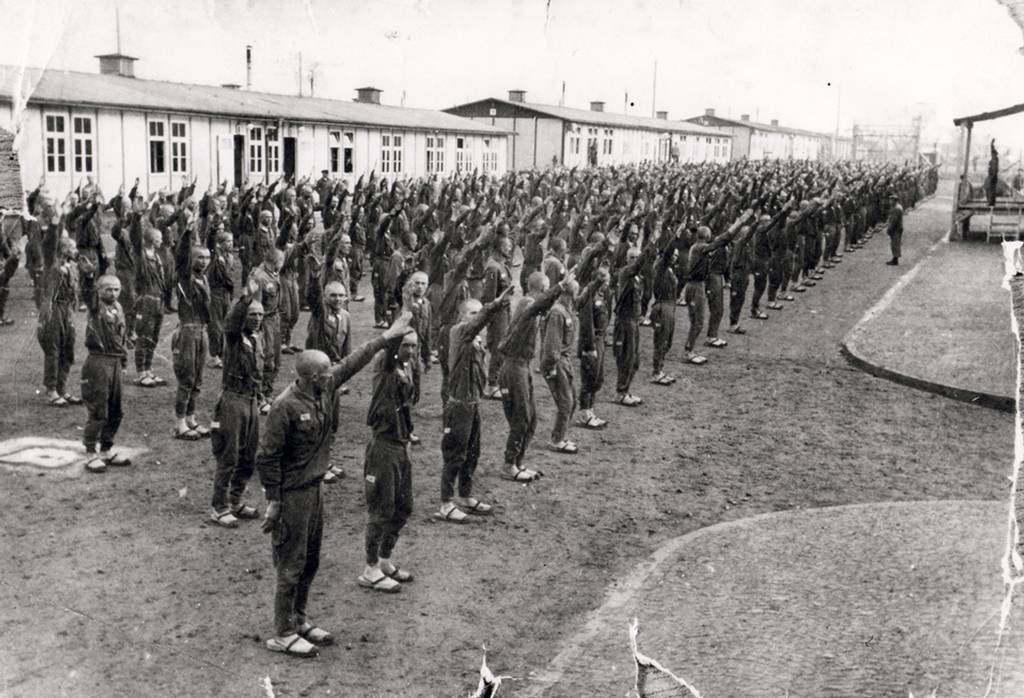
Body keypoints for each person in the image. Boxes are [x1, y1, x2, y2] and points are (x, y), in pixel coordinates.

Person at [256, 313, 414, 657]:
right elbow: (266, 458)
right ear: (312, 377)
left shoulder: (322, 388)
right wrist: (274, 500)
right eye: (326, 373)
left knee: (310, 561)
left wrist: (387, 338)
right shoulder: (284, 407)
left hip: (315, 491)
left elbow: (354, 361)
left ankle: (299, 619)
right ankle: (282, 631)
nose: (333, 376)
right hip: (292, 496)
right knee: (291, 565)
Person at [436, 287, 514, 523]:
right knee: (455, 454)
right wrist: (494, 305)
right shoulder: (460, 332)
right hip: (459, 405)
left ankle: (466, 495)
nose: (477, 316)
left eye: (478, 312)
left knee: (472, 452)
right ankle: (446, 502)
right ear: (462, 316)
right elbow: (474, 326)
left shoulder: (476, 339)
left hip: (473, 403)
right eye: (472, 313)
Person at [359, 322, 421, 593]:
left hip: (401, 445)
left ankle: (384, 559)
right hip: (383, 447)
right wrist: (402, 322)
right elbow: (387, 352)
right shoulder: (385, 367)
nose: (410, 350)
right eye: (405, 345)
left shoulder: (408, 368)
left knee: (404, 506)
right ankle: (369, 568)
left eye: (414, 346)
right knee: (381, 510)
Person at [497, 271, 572, 482]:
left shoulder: (534, 306)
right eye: (548, 288)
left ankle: (518, 463)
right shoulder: (528, 303)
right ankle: (508, 464)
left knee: (531, 420)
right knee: (521, 419)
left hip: (523, 367)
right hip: (514, 368)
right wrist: (559, 287)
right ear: (542, 288)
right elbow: (540, 305)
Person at [209, 289, 265, 527]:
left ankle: (235, 500)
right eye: (252, 314)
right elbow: (232, 323)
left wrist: (260, 397)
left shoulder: (256, 339)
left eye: (260, 315)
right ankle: (218, 507)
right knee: (228, 456)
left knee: (248, 455)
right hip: (232, 401)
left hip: (250, 401)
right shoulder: (233, 338)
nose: (257, 318)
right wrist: (244, 301)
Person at [80, 275, 132, 473]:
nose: (113, 293)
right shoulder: (96, 308)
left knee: (116, 410)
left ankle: (106, 450)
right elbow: (87, 293)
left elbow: (122, 337)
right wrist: (89, 278)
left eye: (117, 289)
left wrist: (124, 361)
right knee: (98, 411)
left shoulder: (118, 308)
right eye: (108, 289)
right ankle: (91, 453)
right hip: (98, 361)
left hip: (115, 362)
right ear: (99, 291)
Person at [305, 281, 351, 483]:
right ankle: (315, 464)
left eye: (342, 295)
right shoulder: (319, 314)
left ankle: (326, 459)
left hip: (335, 376)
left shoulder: (346, 317)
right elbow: (312, 294)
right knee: (317, 420)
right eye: (333, 295)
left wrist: (344, 374)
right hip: (317, 375)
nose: (338, 299)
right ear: (324, 297)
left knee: (332, 421)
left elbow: (347, 350)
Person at [172, 229, 213, 440]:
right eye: (200, 257)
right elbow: (181, 258)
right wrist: (187, 232)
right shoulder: (185, 279)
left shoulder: (203, 278)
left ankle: (190, 418)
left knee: (197, 379)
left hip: (202, 331)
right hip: (188, 331)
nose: (204, 261)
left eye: (207, 257)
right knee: (186, 378)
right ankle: (179, 424)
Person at [541, 278, 580, 453]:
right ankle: (556, 440)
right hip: (557, 362)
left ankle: (561, 436)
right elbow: (551, 345)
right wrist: (551, 367)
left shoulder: (565, 311)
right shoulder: (557, 313)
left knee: (572, 400)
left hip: (565, 360)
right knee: (566, 402)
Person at [250, 248, 284, 414]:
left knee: (276, 358)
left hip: (275, 319)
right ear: (276, 260)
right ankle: (259, 396)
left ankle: (267, 393)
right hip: (265, 321)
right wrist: (258, 329)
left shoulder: (274, 274)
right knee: (266, 358)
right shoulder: (260, 277)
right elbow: (255, 304)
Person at [480, 236, 513, 400]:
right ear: (498, 247)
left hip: (504, 311)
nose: (510, 248)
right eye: (507, 245)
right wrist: (491, 317)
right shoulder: (493, 268)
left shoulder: (502, 265)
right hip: (497, 313)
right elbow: (489, 297)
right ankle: (492, 385)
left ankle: (496, 381)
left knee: (503, 346)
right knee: (498, 349)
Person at [207, 230, 235, 369]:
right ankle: (214, 355)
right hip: (216, 293)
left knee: (226, 323)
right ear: (220, 244)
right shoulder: (216, 257)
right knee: (215, 325)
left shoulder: (229, 257)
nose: (230, 244)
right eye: (227, 241)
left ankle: (222, 353)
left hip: (226, 293)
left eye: (231, 241)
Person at [885, 194, 904, 266]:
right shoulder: (898, 207)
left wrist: (889, 228)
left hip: (896, 228)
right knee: (895, 243)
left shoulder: (896, 208)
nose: (890, 201)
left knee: (895, 243)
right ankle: (895, 258)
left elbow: (894, 220)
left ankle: (895, 259)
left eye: (891, 200)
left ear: (894, 200)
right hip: (898, 227)